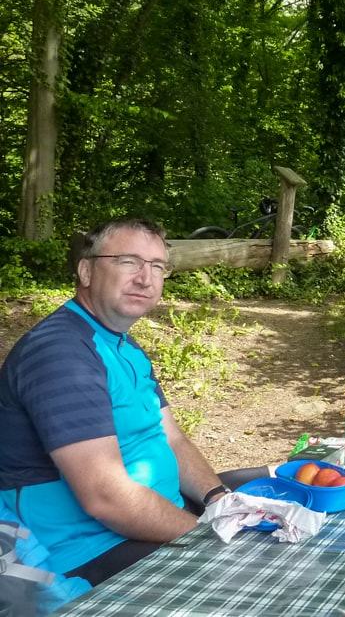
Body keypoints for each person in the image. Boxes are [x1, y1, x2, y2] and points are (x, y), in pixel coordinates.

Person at [0, 219, 268, 587]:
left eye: (157, 266)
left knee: (284, 491)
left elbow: (172, 438)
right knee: (260, 573)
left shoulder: (123, 345)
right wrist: (207, 537)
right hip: (88, 550)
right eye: (128, 261)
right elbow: (106, 498)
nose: (145, 278)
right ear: (86, 271)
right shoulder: (61, 355)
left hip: (158, 516)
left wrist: (218, 499)